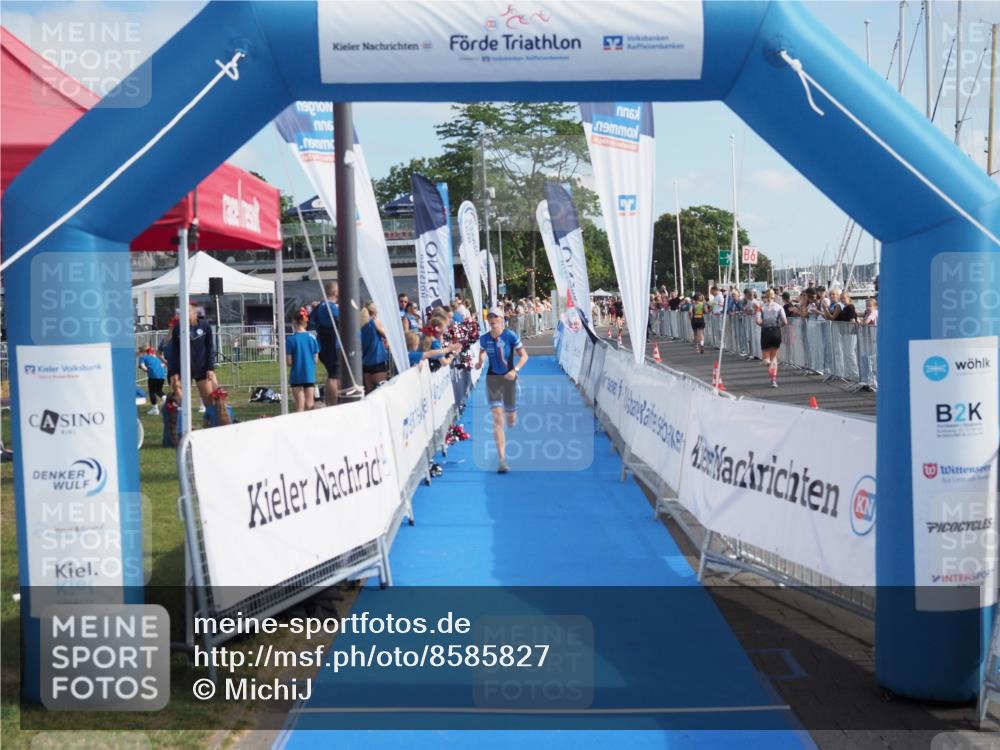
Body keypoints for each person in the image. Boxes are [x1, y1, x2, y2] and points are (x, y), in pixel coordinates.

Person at [476, 307, 528, 474]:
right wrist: (480, 361)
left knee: (510, 420)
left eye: (495, 317)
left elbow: (524, 356)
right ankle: (502, 460)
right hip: (492, 379)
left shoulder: (510, 335)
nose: (492, 320)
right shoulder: (484, 338)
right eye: (490, 317)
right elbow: (482, 352)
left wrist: (515, 370)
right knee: (498, 419)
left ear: (501, 319)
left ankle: (511, 415)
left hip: (509, 379)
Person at [167, 301, 218, 410]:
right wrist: (173, 372)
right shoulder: (178, 328)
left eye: (188, 310)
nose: (184, 314)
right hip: (183, 370)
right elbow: (174, 351)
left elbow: (210, 348)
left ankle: (212, 418)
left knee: (209, 402)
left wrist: (210, 368)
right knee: (181, 402)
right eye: (182, 311)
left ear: (194, 312)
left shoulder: (204, 326)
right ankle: (183, 417)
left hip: (201, 368)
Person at [308, 282, 340, 406]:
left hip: (325, 346)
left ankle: (330, 403)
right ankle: (333, 404)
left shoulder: (321, 306)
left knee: (333, 375)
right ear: (335, 292)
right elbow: (343, 319)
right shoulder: (330, 307)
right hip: (332, 346)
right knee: (333, 376)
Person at [286, 307, 320, 412]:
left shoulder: (290, 339)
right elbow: (316, 360)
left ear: (294, 322)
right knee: (310, 405)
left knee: (299, 408)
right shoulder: (312, 338)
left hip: (296, 376)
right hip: (309, 375)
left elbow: (289, 362)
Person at [756, 288, 788, 387]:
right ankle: (773, 380)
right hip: (776, 332)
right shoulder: (779, 307)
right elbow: (785, 322)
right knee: (774, 357)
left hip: (766, 332)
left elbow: (758, 321)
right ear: (774, 296)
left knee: (766, 359)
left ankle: (769, 364)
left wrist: (763, 324)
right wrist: (778, 326)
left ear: (765, 296)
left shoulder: (761, 307)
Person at [360, 302, 391, 393]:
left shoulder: (360, 325)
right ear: (374, 312)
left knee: (368, 392)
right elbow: (388, 335)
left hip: (365, 362)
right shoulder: (374, 322)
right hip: (377, 360)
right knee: (381, 391)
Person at [138, 346, 166, 415]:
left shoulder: (143, 357)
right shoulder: (156, 358)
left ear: (143, 352)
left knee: (152, 392)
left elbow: (143, 366)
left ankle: (155, 409)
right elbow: (162, 365)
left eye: (139, 352)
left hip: (153, 376)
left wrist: (146, 369)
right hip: (162, 376)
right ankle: (166, 400)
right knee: (158, 390)